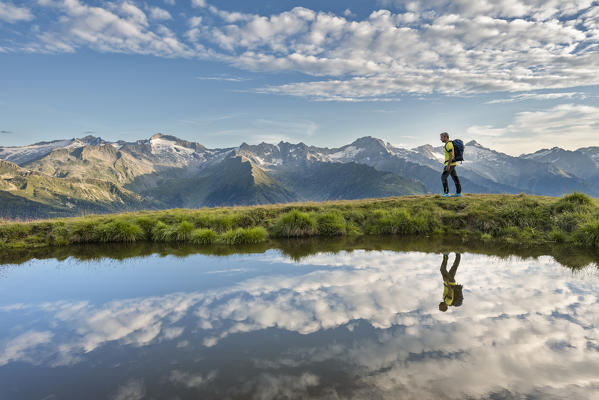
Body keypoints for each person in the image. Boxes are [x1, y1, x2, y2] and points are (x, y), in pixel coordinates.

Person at [440, 132, 462, 198]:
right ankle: (458, 193)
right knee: (455, 178)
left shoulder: (448, 145)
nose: (440, 139)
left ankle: (446, 193)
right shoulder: (448, 144)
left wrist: (448, 165)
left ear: (446, 137)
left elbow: (451, 155)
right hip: (452, 163)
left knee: (443, 177)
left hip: (450, 164)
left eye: (441, 137)